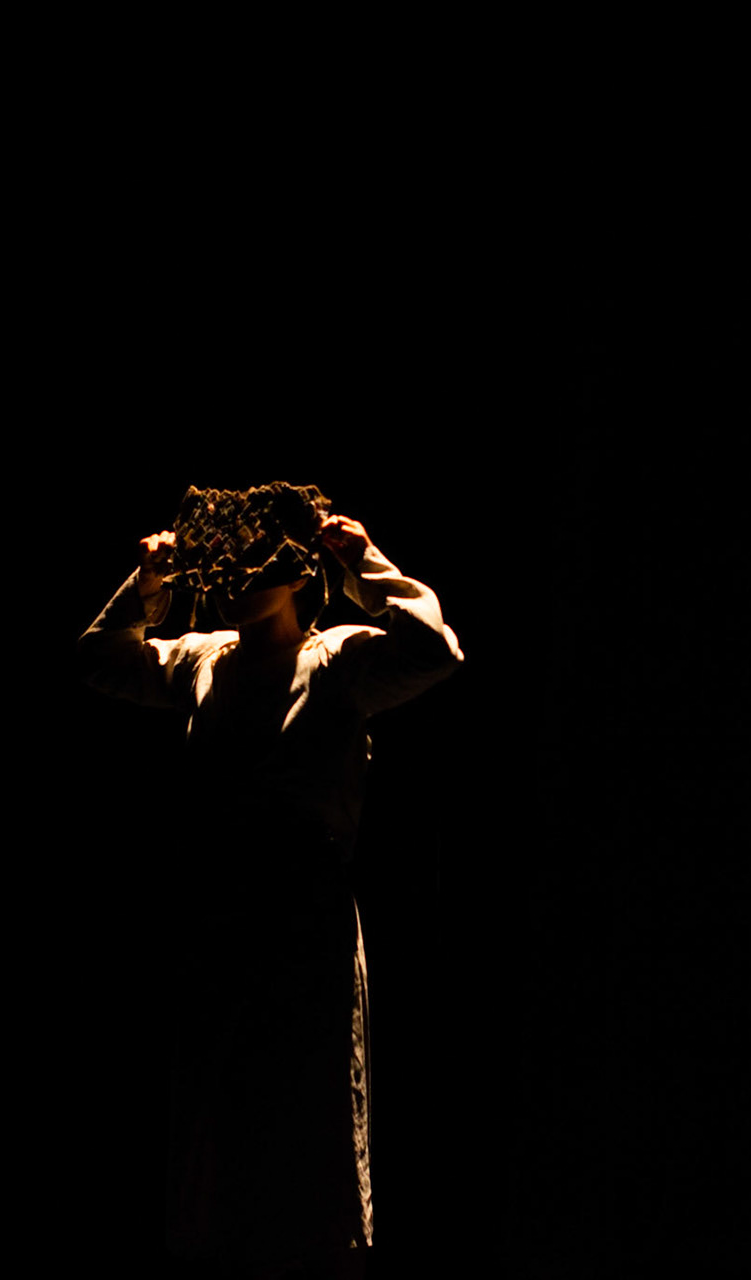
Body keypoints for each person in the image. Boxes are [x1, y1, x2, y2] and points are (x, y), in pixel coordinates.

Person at [77, 502, 464, 1280]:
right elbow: (99, 658)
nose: (233, 581)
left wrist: (364, 559)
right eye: (224, 565)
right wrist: (147, 582)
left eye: (254, 563)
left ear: (293, 574)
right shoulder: (203, 658)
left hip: (302, 917)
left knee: (306, 1112)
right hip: (219, 917)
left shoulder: (339, 658)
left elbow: (435, 650)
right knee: (219, 1123)